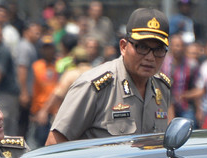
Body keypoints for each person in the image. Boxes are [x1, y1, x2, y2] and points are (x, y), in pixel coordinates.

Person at [46, 8, 172, 144]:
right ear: (123, 47)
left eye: (158, 50)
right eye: (142, 47)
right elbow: (54, 144)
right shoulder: (95, 86)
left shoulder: (161, 87)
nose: (150, 57)